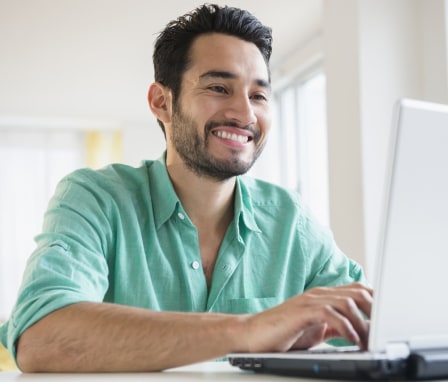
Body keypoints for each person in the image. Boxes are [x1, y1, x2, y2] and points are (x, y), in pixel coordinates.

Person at [0, 3, 372, 372]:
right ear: (162, 102)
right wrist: (251, 329)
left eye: (258, 95)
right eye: (218, 87)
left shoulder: (293, 222)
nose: (245, 114)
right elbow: (40, 337)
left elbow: (381, 324)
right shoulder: (95, 199)